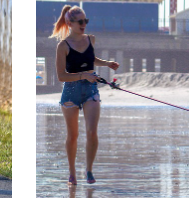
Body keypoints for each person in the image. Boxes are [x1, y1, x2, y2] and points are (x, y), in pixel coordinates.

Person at [49, 5, 119, 185]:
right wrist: (83, 75)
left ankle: (88, 170)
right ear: (69, 23)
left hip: (91, 90)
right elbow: (60, 75)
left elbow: (90, 59)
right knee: (73, 136)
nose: (84, 24)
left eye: (85, 21)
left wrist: (107, 63)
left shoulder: (91, 39)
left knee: (92, 132)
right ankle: (72, 173)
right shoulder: (62, 46)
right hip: (70, 92)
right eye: (80, 21)